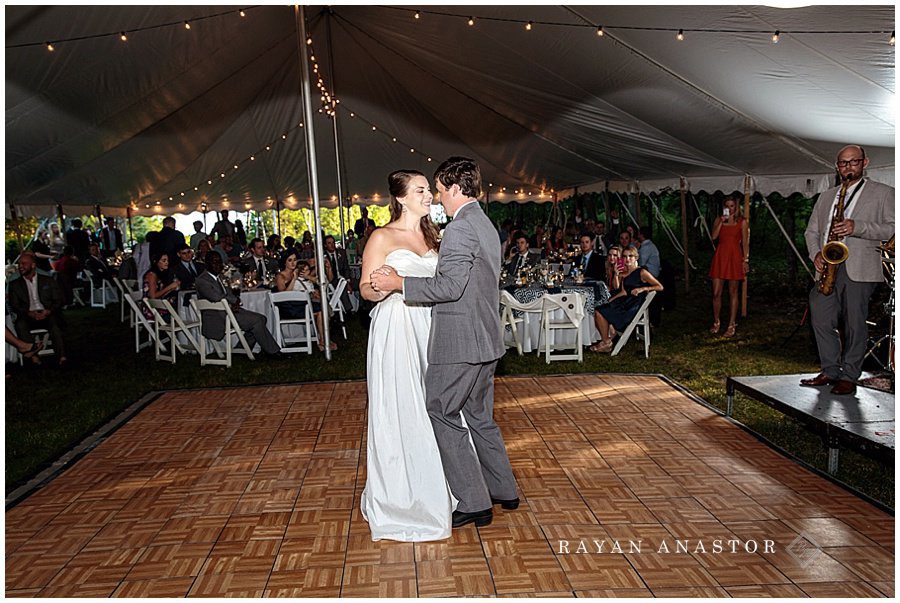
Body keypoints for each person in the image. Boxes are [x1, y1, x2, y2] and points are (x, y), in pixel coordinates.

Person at [370, 157, 519, 532]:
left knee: (440, 411)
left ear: (454, 188)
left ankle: (474, 502)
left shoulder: (458, 229)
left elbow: (449, 288)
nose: (436, 197)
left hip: (460, 342)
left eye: (437, 189)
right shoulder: (483, 223)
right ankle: (505, 491)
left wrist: (398, 284)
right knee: (480, 417)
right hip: (486, 339)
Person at [356, 168, 453, 540]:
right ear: (400, 197)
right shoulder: (382, 236)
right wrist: (382, 288)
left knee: (436, 404)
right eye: (421, 190)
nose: (428, 195)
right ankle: (402, 496)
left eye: (429, 190)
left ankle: (443, 485)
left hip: (431, 324)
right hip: (397, 326)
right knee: (403, 405)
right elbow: (365, 289)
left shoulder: (434, 235)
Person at [801, 144, 895, 395]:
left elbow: (892, 228)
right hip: (829, 266)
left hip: (860, 266)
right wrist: (816, 254)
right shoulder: (827, 196)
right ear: (837, 166)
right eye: (843, 163)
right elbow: (810, 231)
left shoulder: (885, 193)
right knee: (820, 315)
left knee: (855, 322)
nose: (848, 168)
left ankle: (850, 375)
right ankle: (830, 370)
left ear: (865, 163)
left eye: (853, 162)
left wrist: (858, 227)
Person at [194, 251, 282, 357]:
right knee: (257, 320)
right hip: (217, 316)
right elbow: (216, 297)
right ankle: (273, 352)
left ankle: (242, 349)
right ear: (207, 264)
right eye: (214, 262)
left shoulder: (220, 277)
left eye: (219, 262)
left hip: (228, 311)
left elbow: (229, 294)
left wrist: (234, 300)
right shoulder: (202, 280)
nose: (218, 265)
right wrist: (233, 301)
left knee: (261, 319)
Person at [589, 247, 663, 353]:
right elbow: (622, 291)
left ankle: (606, 343)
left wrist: (643, 288)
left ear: (636, 257)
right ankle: (606, 341)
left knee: (600, 312)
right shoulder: (624, 273)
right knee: (599, 309)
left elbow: (659, 286)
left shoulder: (641, 272)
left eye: (630, 256)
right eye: (624, 256)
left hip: (633, 306)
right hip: (625, 302)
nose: (627, 259)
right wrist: (616, 276)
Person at [8, 252, 67, 366]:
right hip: (27, 315)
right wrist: (29, 313)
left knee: (55, 324)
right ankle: (33, 356)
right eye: (19, 263)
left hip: (47, 313)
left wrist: (48, 311)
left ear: (33, 265)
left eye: (24, 263)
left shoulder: (47, 280)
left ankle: (62, 356)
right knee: (21, 325)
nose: (20, 266)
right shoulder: (15, 284)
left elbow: (58, 300)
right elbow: (15, 305)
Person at [708, 195, 749, 337]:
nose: (730, 209)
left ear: (736, 207)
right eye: (727, 206)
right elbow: (713, 237)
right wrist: (721, 222)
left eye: (732, 206)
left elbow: (745, 242)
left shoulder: (742, 222)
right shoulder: (719, 219)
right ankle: (716, 321)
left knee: (733, 292)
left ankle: (731, 324)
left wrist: (745, 260)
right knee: (716, 293)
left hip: (735, 257)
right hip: (720, 257)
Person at [142, 253, 180, 319]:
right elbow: (153, 296)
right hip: (153, 308)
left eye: (167, 260)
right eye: (164, 260)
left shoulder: (162, 273)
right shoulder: (152, 275)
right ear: (156, 262)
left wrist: (172, 288)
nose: (167, 263)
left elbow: (162, 292)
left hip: (159, 305)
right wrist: (170, 287)